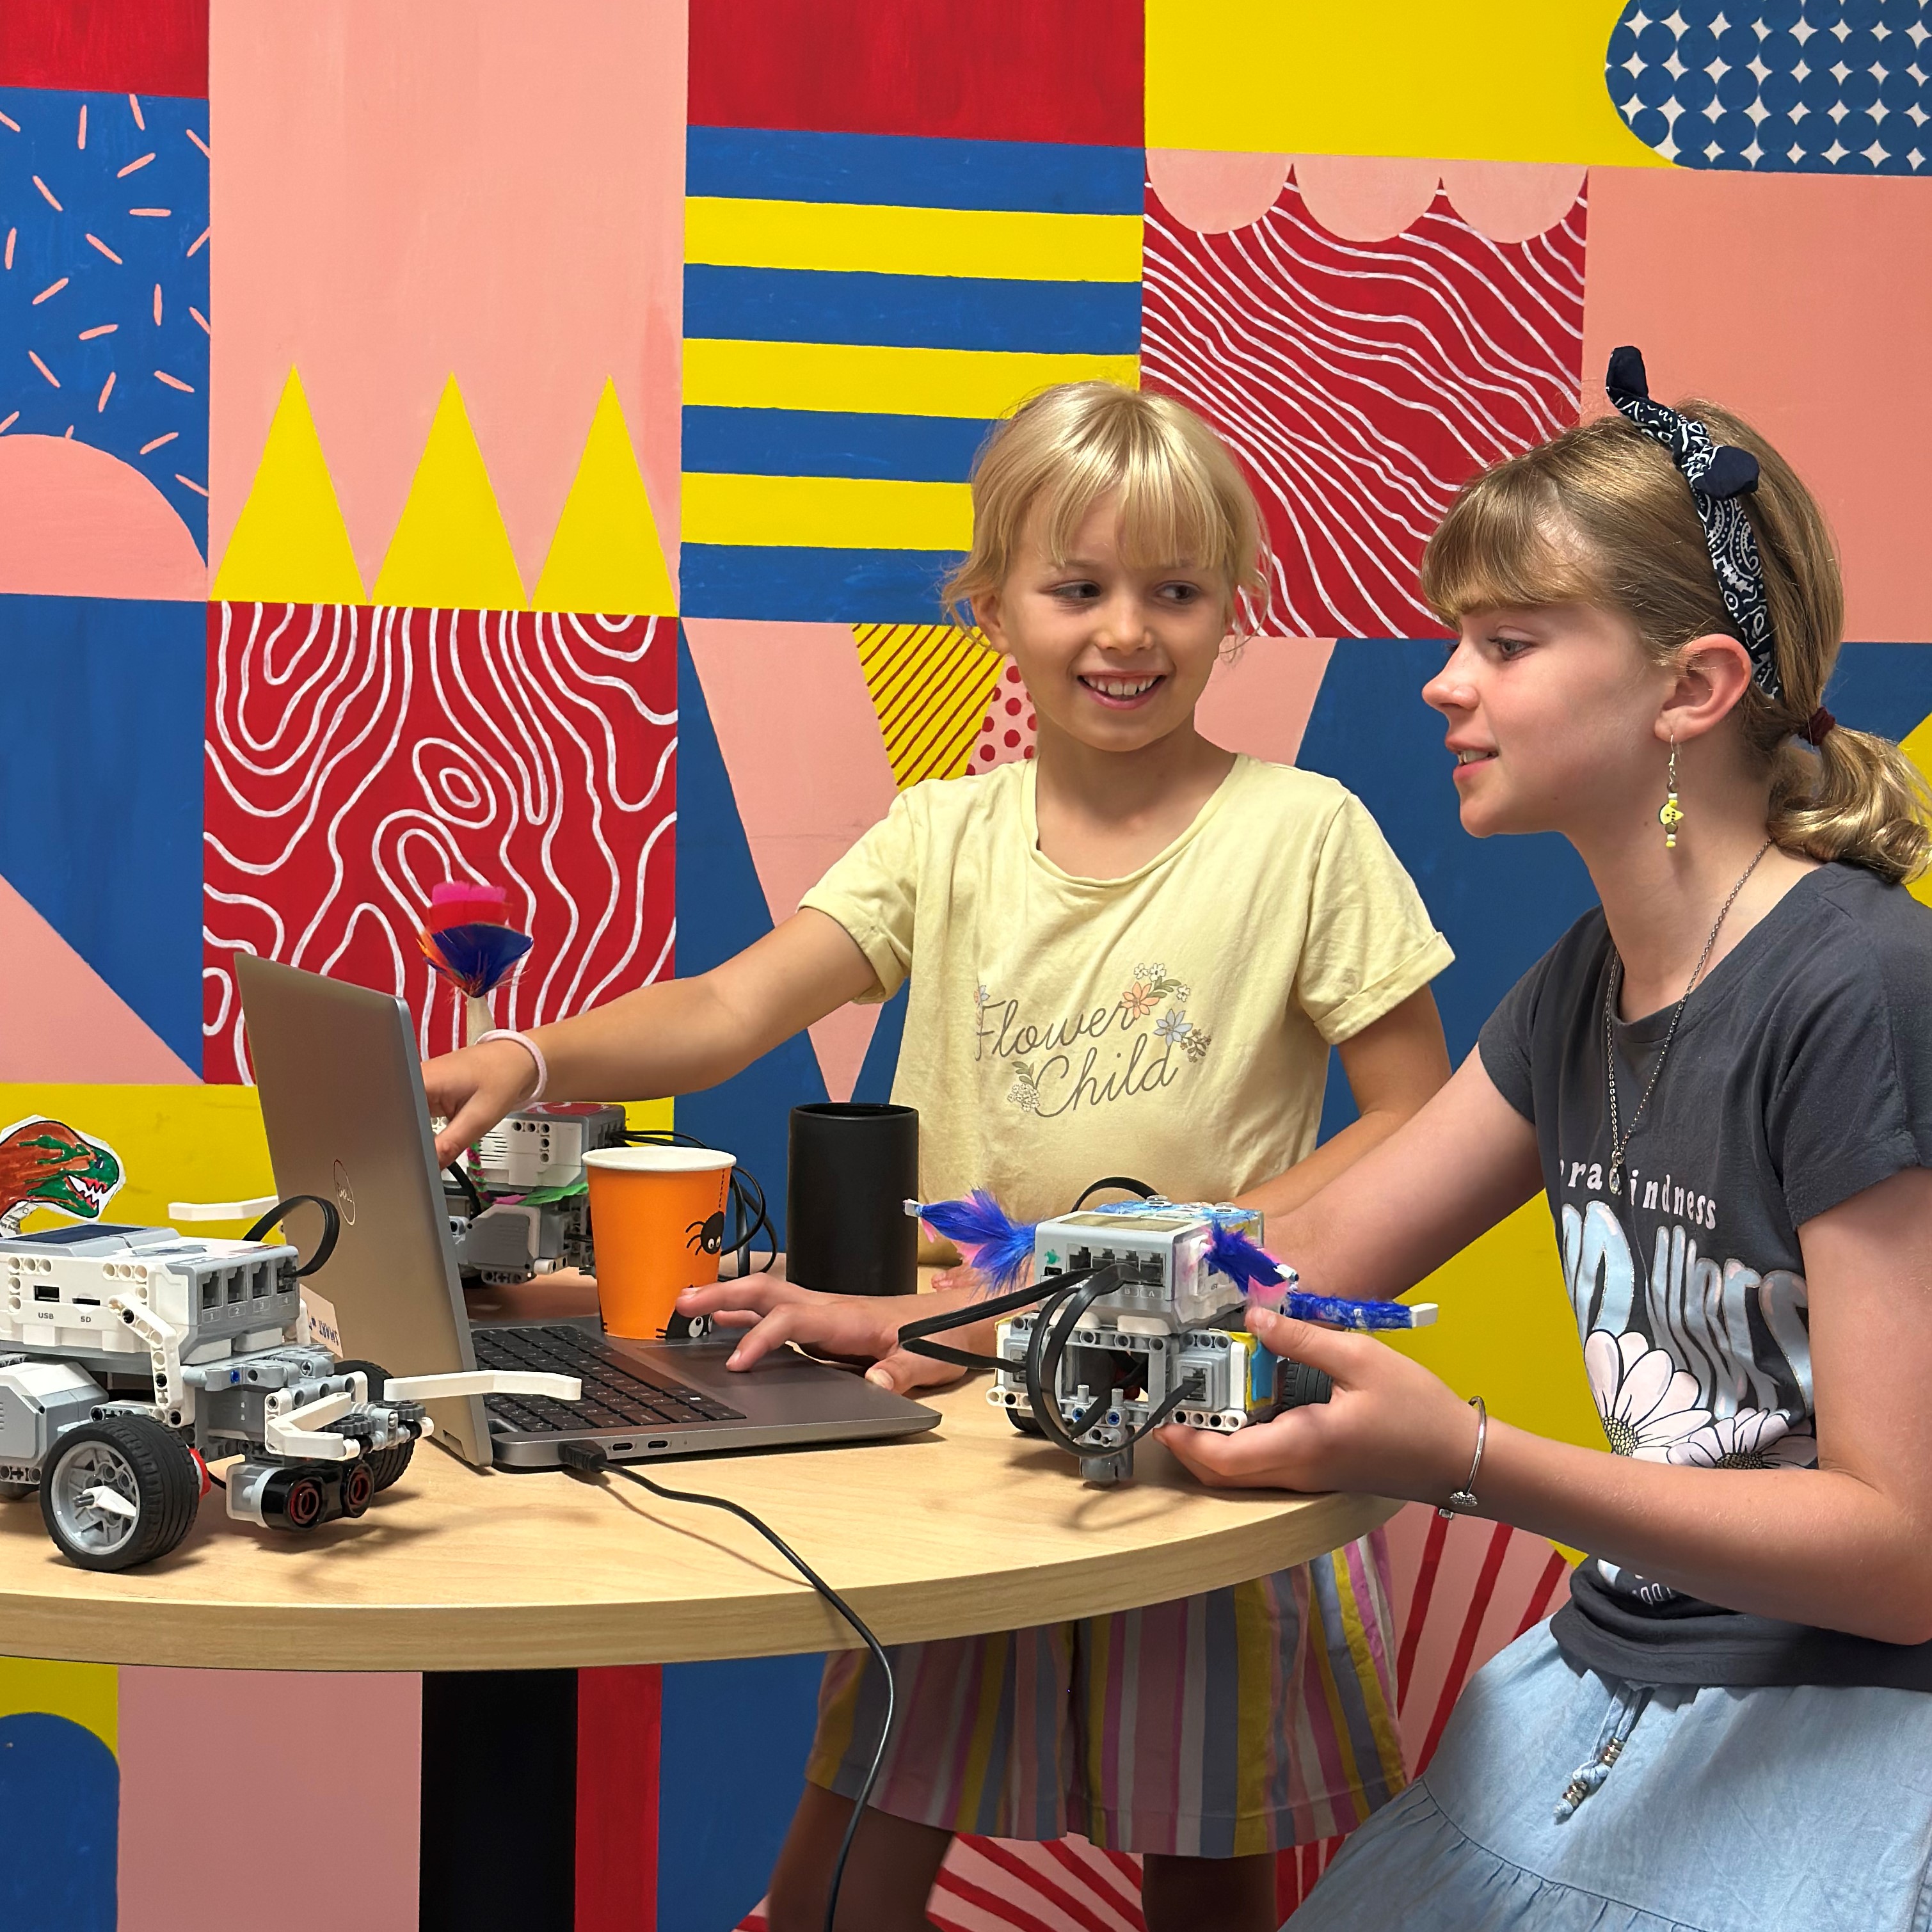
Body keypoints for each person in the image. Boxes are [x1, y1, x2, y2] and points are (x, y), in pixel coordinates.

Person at [426, 381, 1456, 1932]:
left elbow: (1413, 1124)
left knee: (1207, 1855)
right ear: (991, 608)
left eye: (1175, 591)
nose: (1127, 631)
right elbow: (726, 1006)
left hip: (1200, 1401)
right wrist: (534, 1055)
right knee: (859, 1847)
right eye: (1079, 587)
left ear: (1231, 611)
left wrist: (1196, 1248)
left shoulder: (1306, 835)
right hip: (957, 1382)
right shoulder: (941, 834)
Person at [1161, 349, 1932, 1932]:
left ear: (1690, 689)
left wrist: (1462, 1456)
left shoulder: (1856, 987)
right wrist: (928, 1304)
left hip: (1855, 1713)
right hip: (1612, 1670)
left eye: (1506, 642)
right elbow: (1296, 1268)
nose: (1444, 682)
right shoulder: (1588, 978)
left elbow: (1898, 1549)